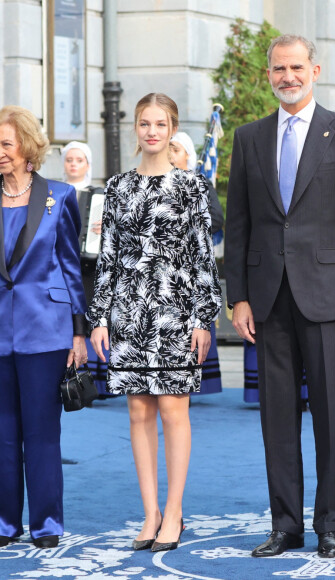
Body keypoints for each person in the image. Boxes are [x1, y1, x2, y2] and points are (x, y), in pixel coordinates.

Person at [225, 34, 335, 559]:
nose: (287, 76)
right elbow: (239, 223)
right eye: (278, 69)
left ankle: (328, 525)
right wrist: (238, 297)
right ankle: (285, 525)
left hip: (331, 299)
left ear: (315, 70)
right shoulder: (248, 138)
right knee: (276, 416)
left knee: (331, 417)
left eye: (296, 67)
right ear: (268, 74)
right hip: (267, 299)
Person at [88, 93, 221, 552]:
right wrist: (99, 316)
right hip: (127, 309)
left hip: (177, 311)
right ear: (136, 130)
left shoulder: (191, 187)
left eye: (160, 124)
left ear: (172, 128)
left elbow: (203, 256)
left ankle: (175, 513)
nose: (151, 131)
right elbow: (107, 258)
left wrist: (205, 316)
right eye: (144, 124)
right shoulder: (118, 186)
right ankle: (150, 514)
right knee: (139, 409)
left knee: (172, 408)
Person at [0, 106, 87, 549]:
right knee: (2, 431)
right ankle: (4, 524)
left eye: (6, 144)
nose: (0, 153)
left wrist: (78, 332)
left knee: (40, 431)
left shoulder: (59, 196)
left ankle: (47, 524)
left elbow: (72, 268)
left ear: (27, 148)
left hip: (45, 329)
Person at [169, 131, 223, 397]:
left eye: (176, 149)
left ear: (188, 156)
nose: (170, 154)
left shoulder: (200, 183)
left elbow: (216, 217)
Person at [61, 141, 110, 395]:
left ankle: (94, 380)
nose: (73, 165)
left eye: (79, 160)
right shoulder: (54, 192)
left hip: (88, 267)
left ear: (87, 165)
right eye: (69, 160)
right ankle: (68, 373)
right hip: (61, 264)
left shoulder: (97, 195)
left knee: (89, 315)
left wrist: (104, 228)